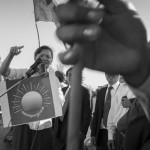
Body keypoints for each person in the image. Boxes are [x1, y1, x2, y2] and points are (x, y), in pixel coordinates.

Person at [54, 0, 150, 149]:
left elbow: (91, 114)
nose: (109, 75)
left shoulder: (124, 89)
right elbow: (101, 113)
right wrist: (142, 74)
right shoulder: (103, 92)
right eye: (107, 73)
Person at [0, 45, 62, 150]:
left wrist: (46, 84)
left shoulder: (53, 79)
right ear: (35, 58)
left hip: (44, 128)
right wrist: (11, 55)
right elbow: (4, 72)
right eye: (41, 55)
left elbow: (60, 102)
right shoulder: (25, 73)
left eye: (48, 56)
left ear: (51, 60)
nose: (45, 58)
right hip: (22, 127)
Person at [53, 67, 91, 150]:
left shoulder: (84, 92)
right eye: (69, 75)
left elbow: (87, 114)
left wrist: (82, 132)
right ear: (66, 77)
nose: (71, 77)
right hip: (58, 133)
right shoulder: (61, 90)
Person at [87, 73, 119, 150]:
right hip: (101, 133)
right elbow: (96, 113)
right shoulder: (101, 92)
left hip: (117, 133)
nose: (110, 74)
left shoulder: (124, 90)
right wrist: (93, 134)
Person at [107, 76, 135, 150]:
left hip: (137, 134)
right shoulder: (121, 86)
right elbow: (113, 111)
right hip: (119, 135)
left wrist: (133, 104)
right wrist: (110, 135)